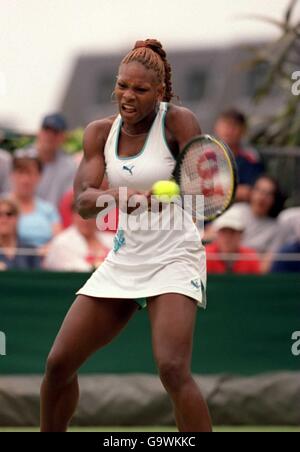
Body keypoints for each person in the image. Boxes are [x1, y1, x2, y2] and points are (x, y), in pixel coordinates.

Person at [40, 39, 212, 433]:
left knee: (172, 369)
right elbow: (83, 201)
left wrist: (171, 196)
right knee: (58, 364)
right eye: (122, 86)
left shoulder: (179, 121)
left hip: (175, 255)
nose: (127, 96)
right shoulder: (99, 132)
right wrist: (122, 197)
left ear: (160, 92)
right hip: (125, 257)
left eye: (139, 89)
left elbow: (202, 189)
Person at [225, 175, 285, 272]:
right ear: (252, 192)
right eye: (259, 190)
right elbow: (210, 236)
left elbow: (265, 266)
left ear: (274, 199)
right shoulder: (235, 211)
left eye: (268, 194)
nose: (262, 197)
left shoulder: (276, 228)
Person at [10, 151, 61, 248]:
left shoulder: (48, 209)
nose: (25, 179)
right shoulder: (2, 205)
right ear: (12, 175)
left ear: (39, 176)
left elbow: (59, 240)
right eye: (20, 173)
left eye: (30, 173)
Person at [214, 109, 264, 202]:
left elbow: (248, 192)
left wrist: (213, 192)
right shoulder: (203, 156)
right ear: (216, 128)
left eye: (234, 125)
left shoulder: (251, 159)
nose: (229, 130)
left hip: (240, 210)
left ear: (243, 130)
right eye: (225, 124)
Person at [29, 113, 77, 207]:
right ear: (39, 132)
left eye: (55, 132)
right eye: (46, 130)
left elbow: (68, 201)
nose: (49, 136)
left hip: (56, 219)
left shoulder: (69, 167)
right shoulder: (21, 158)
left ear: (63, 137)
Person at [44, 205, 111, 272]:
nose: (86, 220)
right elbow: (76, 270)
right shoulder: (61, 242)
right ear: (73, 215)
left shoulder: (112, 239)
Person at [206, 208, 261, 274]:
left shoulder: (251, 258)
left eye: (232, 232)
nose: (227, 237)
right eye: (224, 231)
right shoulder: (205, 256)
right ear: (217, 233)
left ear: (241, 234)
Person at [0, 197, 40, 270]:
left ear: (17, 217)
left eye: (9, 214)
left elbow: (38, 279)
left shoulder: (30, 251)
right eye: (0, 214)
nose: (4, 219)